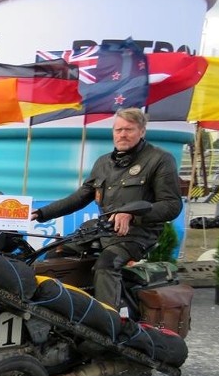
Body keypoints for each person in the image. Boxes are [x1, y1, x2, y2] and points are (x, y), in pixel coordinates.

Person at [30, 107, 183, 308]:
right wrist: (41, 213)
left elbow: (172, 205)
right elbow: (80, 197)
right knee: (55, 256)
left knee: (106, 266)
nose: (122, 135)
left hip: (137, 234)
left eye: (129, 129)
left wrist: (132, 214)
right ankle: (63, 312)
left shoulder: (159, 160)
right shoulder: (104, 163)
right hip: (102, 229)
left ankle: (106, 326)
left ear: (142, 131)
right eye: (118, 130)